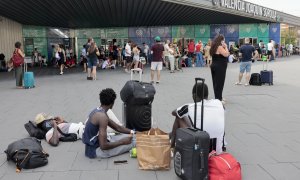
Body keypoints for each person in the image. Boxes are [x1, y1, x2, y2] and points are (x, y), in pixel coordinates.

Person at [169, 82, 225, 155]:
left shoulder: (189, 107)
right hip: (217, 151)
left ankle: (172, 146)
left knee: (179, 117)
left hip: (200, 151)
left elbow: (174, 112)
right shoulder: (218, 103)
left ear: (194, 95)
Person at [82, 88, 135, 159]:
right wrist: (122, 142)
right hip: (96, 151)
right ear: (112, 103)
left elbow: (117, 127)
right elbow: (103, 146)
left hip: (95, 145)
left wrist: (133, 131)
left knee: (133, 137)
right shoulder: (102, 117)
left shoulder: (99, 110)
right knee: (134, 142)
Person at [210, 34, 229, 104]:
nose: (224, 41)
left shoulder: (214, 46)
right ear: (221, 40)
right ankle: (218, 99)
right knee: (220, 83)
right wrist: (226, 47)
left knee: (216, 82)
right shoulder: (220, 47)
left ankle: (218, 97)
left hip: (215, 66)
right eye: (223, 40)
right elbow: (226, 54)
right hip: (219, 67)